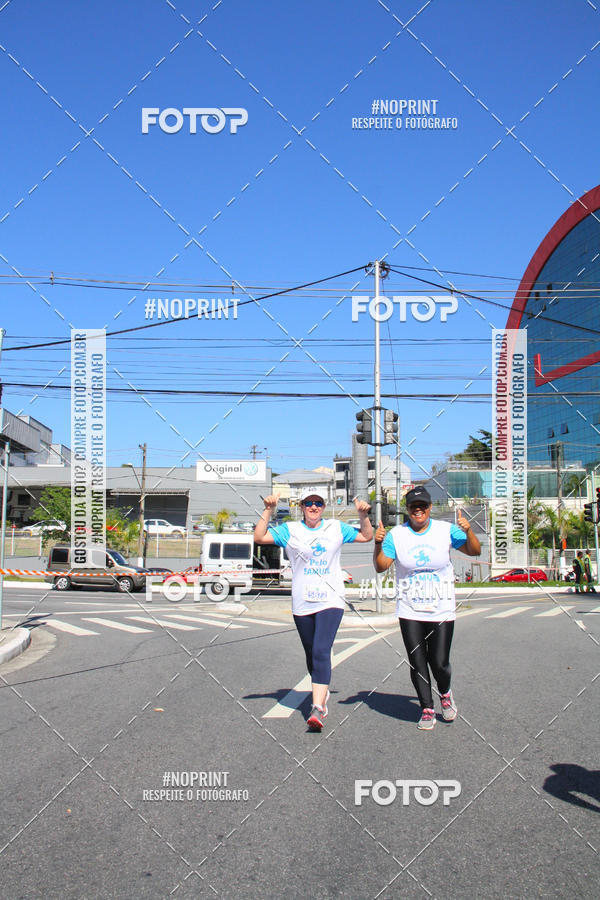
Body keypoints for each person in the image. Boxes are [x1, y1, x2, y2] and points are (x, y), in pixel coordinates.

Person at [254, 488, 372, 731]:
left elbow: (366, 537)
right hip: (302, 601)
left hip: (331, 599)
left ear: (324, 506)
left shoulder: (336, 528)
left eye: (318, 503)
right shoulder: (290, 530)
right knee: (311, 653)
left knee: (321, 649)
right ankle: (322, 688)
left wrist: (363, 516)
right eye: (309, 503)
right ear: (302, 506)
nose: (314, 507)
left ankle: (317, 707)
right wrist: (268, 510)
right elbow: (259, 537)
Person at [373, 486, 481, 730]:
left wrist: (468, 531)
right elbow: (381, 566)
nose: (418, 510)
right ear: (408, 510)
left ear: (430, 508)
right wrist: (378, 544)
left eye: (422, 506)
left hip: (441, 607)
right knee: (417, 661)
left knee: (439, 662)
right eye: (413, 506)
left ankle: (445, 692)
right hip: (410, 609)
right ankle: (427, 707)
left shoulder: (446, 530)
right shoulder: (396, 535)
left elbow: (474, 550)